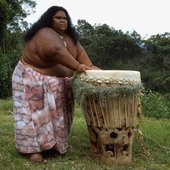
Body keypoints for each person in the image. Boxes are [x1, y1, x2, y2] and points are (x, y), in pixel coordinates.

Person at [12, 5, 99, 163]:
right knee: (33, 117)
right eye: (58, 18)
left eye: (65, 18)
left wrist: (91, 68)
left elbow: (80, 54)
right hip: (31, 82)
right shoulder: (44, 33)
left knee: (57, 118)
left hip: (56, 86)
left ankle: (53, 146)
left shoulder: (69, 38)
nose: (62, 21)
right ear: (49, 19)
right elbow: (57, 50)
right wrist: (79, 67)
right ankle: (32, 151)